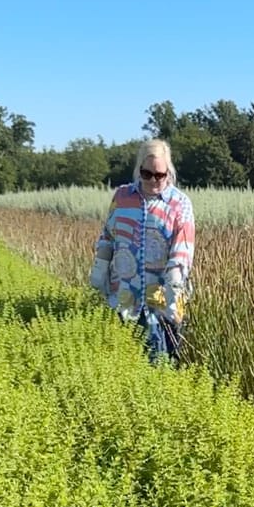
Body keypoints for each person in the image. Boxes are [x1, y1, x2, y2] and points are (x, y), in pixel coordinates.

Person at [89, 138, 195, 363]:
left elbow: (183, 247)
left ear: (168, 172)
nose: (154, 180)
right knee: (121, 364)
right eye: (147, 174)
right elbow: (108, 235)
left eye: (160, 175)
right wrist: (100, 264)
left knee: (161, 364)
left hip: (162, 302)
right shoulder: (122, 196)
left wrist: (175, 284)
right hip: (123, 296)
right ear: (139, 170)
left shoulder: (180, 203)